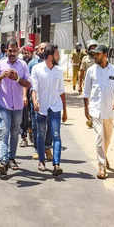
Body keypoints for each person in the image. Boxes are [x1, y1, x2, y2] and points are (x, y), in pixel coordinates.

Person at [0, 38, 31, 176]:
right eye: (10, 50)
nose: (12, 53)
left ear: (18, 50)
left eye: (14, 50)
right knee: (4, 132)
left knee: (14, 133)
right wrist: (2, 75)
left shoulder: (23, 65)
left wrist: (17, 78)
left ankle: (12, 158)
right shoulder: (0, 64)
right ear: (6, 51)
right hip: (3, 105)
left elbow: (28, 84)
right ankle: (3, 161)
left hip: (18, 106)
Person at [31, 44, 67, 176]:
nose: (59, 56)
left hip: (55, 107)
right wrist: (35, 101)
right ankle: (41, 161)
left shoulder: (59, 71)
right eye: (57, 53)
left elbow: (62, 92)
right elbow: (33, 88)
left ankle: (56, 164)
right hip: (41, 107)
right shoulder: (36, 69)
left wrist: (65, 110)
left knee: (56, 135)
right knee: (41, 135)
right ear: (51, 56)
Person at [83, 44, 114, 179]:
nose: (95, 56)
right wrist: (86, 109)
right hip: (95, 110)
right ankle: (101, 166)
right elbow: (86, 92)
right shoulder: (91, 71)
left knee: (107, 139)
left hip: (109, 110)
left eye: (97, 54)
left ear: (105, 55)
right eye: (94, 54)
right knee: (99, 138)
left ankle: (104, 154)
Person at [20, 45, 34, 147]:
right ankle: (23, 137)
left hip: (32, 94)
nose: (26, 55)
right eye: (24, 53)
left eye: (27, 53)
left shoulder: (35, 64)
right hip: (22, 94)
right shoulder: (20, 64)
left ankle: (31, 132)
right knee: (23, 117)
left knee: (32, 116)